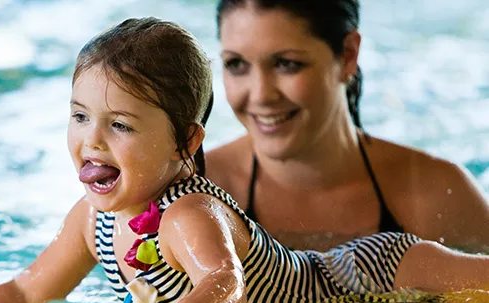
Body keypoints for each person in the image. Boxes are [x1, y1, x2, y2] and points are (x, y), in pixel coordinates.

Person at [0, 17, 489, 303]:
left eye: (120, 125)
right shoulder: (90, 220)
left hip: (367, 273)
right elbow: (28, 290)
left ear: (186, 141)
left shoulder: (187, 213)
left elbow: (225, 280)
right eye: (79, 117)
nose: (93, 142)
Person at [205, 0, 489, 252]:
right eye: (236, 64)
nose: (261, 95)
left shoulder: (438, 195)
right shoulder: (200, 191)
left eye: (286, 63)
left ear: (348, 55)